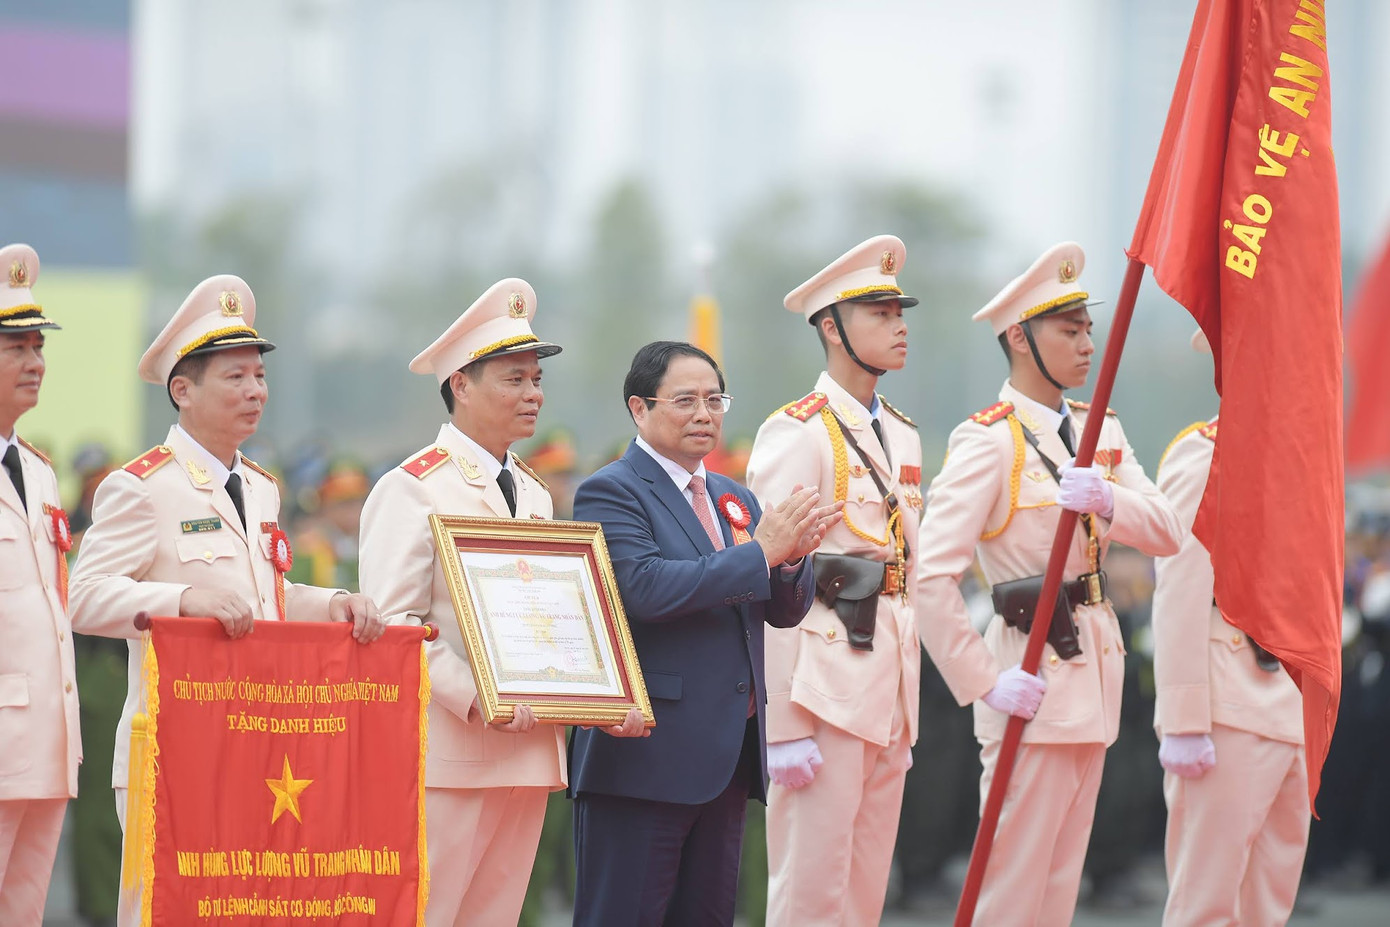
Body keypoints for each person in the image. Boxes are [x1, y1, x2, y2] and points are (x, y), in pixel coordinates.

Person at [68, 274, 383, 926]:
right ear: (182, 390)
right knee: (166, 911)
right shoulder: (142, 487)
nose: (255, 391)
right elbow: (86, 596)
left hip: (260, 743)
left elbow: (268, 595)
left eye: (259, 377)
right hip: (175, 747)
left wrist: (333, 604)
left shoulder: (263, 488)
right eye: (235, 377)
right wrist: (185, 598)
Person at [357, 279, 644, 926]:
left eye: (536, 379)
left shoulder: (535, 493)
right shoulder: (412, 489)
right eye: (514, 379)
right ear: (461, 383)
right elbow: (392, 629)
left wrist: (598, 691)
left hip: (527, 749)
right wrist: (477, 695)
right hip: (449, 754)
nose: (534, 393)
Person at [915, 242, 1181, 925]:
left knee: (1058, 891)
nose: (1087, 342)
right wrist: (981, 680)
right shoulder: (989, 441)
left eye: (1089, 327)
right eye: (1070, 330)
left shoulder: (1104, 431)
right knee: (1013, 886)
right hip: (1027, 678)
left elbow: (1168, 530)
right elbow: (931, 577)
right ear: (1019, 337)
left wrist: (1108, 501)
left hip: (1092, 678)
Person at [568, 341, 838, 926]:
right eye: (685, 400)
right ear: (639, 409)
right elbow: (646, 590)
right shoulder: (611, 491)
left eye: (715, 399)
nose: (704, 414)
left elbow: (781, 611)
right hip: (645, 756)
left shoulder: (731, 497)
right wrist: (763, 553)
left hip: (727, 757)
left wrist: (790, 563)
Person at [745, 234, 924, 925]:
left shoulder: (902, 434)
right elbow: (776, 576)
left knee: (863, 889)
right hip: (821, 690)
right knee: (811, 891)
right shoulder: (799, 432)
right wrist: (782, 725)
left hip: (889, 685)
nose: (899, 324)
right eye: (879, 312)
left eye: (898, 310)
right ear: (831, 326)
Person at [1152, 329, 1309, 924]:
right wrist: (1184, 720)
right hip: (1228, 702)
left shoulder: (1299, 459)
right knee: (1206, 902)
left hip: (1288, 700)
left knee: (1269, 902)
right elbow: (1180, 589)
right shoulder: (1206, 454)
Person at [0, 243, 81, 925]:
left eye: (38, 347)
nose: (36, 363)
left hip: (45, 742)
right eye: (16, 348)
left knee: (24, 910)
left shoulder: (39, 471)